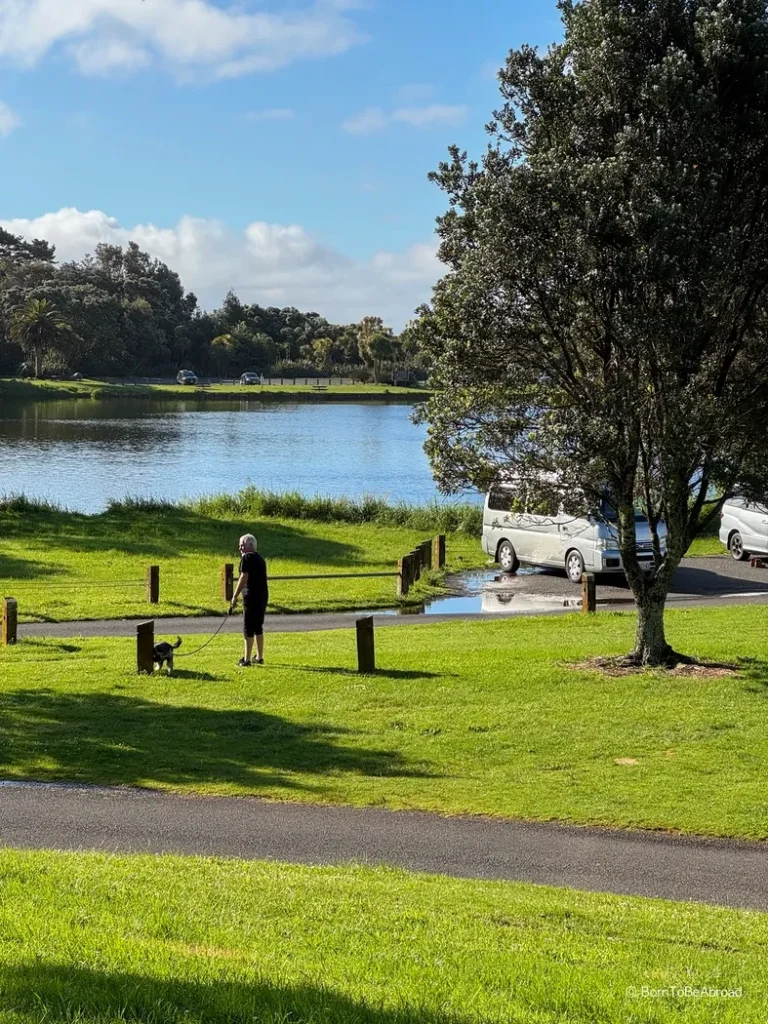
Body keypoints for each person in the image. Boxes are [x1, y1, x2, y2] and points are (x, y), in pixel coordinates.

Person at [229, 534, 269, 667]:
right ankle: (259, 656)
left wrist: (235, 596)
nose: (239, 548)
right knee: (258, 627)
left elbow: (244, 576)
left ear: (249, 546)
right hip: (262, 596)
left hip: (251, 597)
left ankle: (246, 659)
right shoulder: (261, 559)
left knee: (248, 628)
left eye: (242, 545)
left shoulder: (246, 558)